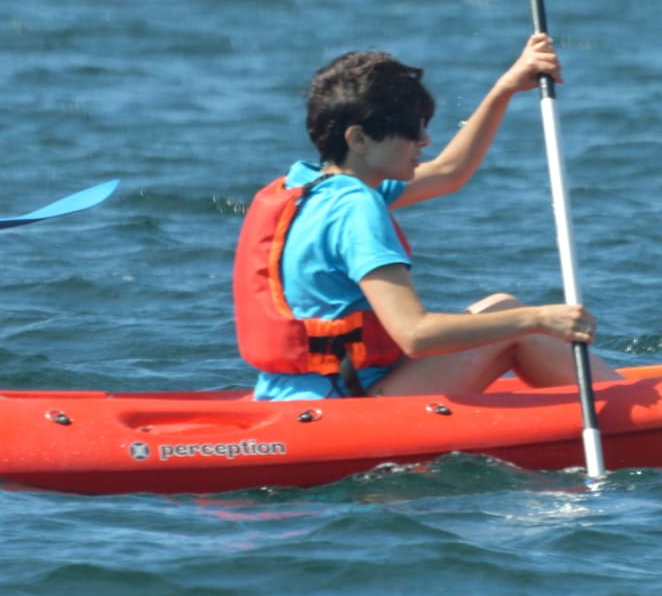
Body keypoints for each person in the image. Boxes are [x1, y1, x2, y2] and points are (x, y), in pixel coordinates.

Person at [235, 37, 598, 402]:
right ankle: (632, 412)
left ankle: (618, 397)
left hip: (289, 396)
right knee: (518, 326)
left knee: (501, 306)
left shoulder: (306, 184)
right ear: (359, 139)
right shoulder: (357, 207)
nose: (424, 140)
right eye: (412, 129)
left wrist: (506, 87)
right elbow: (415, 334)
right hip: (350, 405)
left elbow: (450, 171)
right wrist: (538, 319)